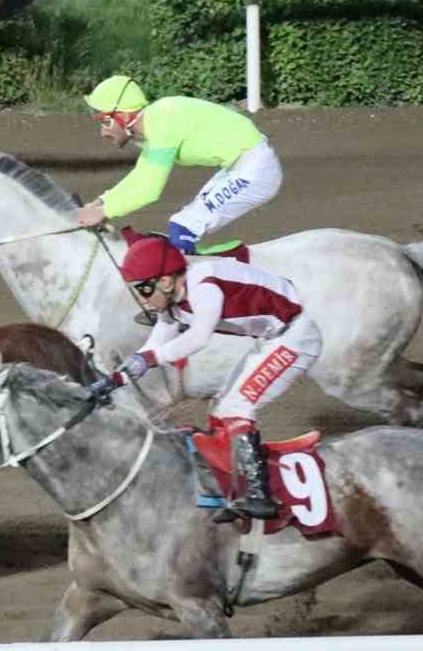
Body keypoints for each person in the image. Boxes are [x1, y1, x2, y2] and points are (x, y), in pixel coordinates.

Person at [91, 236, 322, 523]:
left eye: (144, 290)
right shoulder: (174, 300)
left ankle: (259, 494)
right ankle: (234, 491)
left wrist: (149, 359)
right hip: (272, 339)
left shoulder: (204, 286)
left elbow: (198, 337)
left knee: (238, 406)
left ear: (165, 281)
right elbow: (154, 345)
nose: (142, 300)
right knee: (221, 410)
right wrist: (116, 379)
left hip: (295, 337)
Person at [73, 75, 281, 255]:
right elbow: (141, 177)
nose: (103, 132)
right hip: (242, 165)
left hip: (255, 169)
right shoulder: (156, 121)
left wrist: (104, 212)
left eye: (105, 122)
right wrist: (101, 202)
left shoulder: (162, 123)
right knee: (183, 226)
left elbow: (148, 190)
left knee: (182, 227)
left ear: (126, 116)